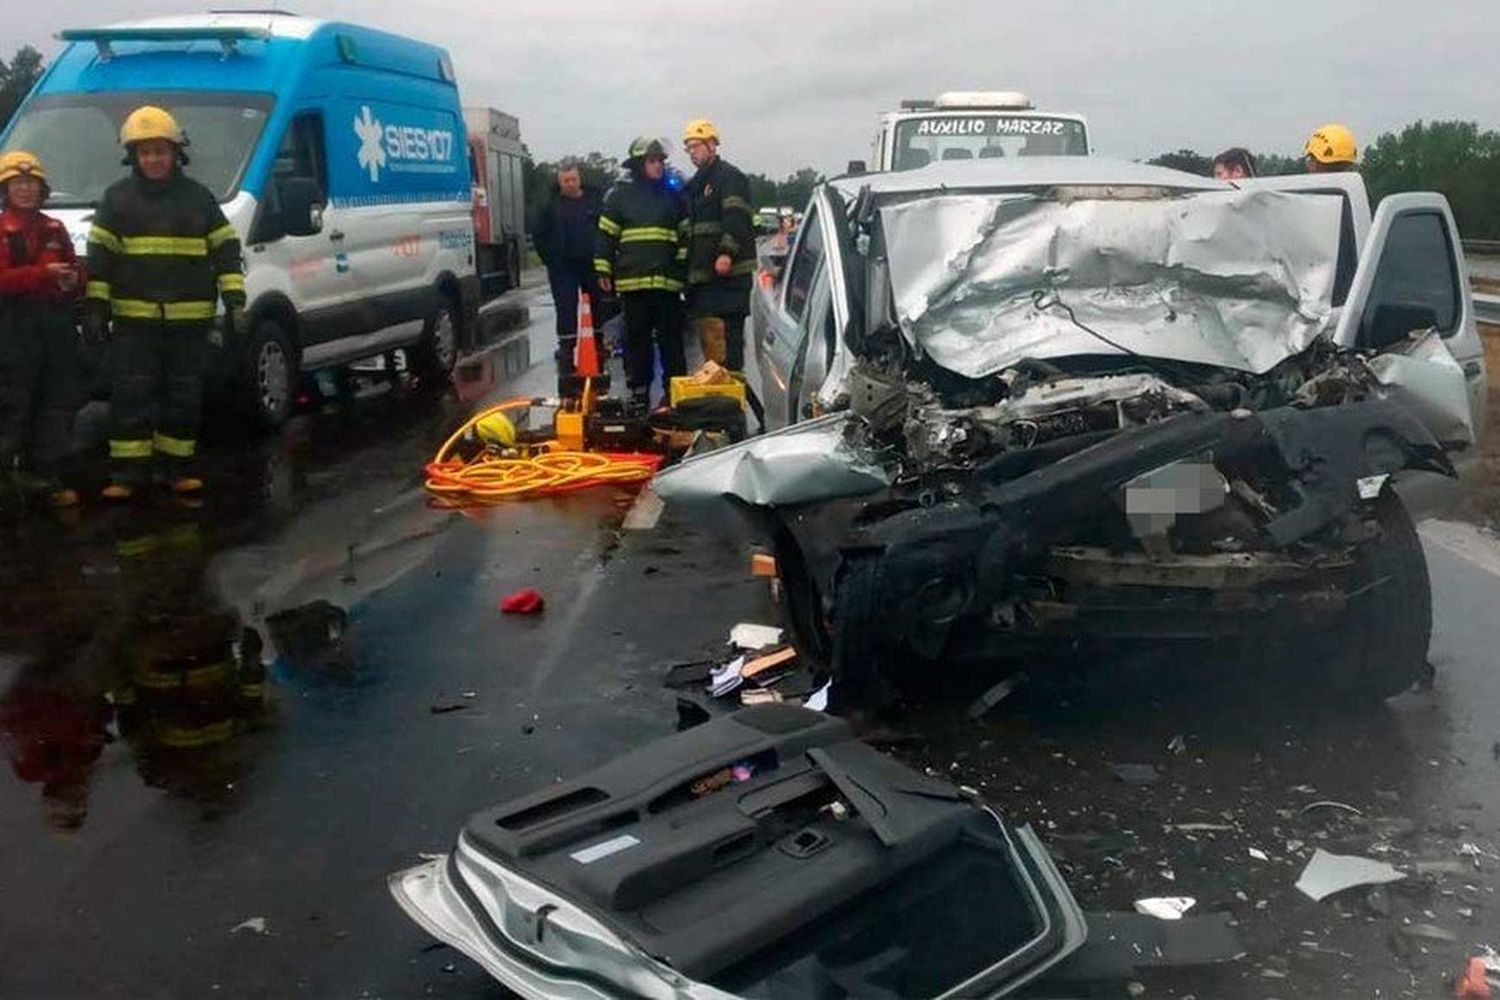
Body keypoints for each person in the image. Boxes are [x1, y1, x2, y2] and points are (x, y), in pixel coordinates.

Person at [85, 106, 246, 501]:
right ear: (134, 157)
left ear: (176, 154)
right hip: (133, 322)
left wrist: (236, 301)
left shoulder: (199, 199)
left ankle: (175, 470)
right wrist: (95, 308)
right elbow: (100, 260)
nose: (154, 159)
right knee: (131, 396)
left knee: (183, 397)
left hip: (188, 323)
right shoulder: (116, 199)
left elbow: (226, 249)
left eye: (160, 151)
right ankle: (127, 473)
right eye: (145, 152)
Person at [0, 150, 82, 509]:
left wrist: (73, 280)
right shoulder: (2, 230)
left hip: (55, 325)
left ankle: (46, 476)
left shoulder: (54, 228)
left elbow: (76, 270)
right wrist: (41, 276)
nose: (25, 190)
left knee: (56, 402)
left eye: (31, 184)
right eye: (17, 184)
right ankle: (6, 479)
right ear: (6, 190)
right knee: (14, 402)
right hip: (13, 327)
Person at [594, 136, 687, 410]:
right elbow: (605, 236)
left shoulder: (673, 196)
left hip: (667, 284)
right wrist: (603, 268)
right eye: (652, 161)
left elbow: (684, 236)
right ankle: (639, 391)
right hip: (633, 284)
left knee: (671, 340)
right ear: (638, 164)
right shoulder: (619, 196)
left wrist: (681, 269)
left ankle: (675, 391)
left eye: (660, 160)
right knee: (636, 341)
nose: (658, 165)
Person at [682, 119, 756, 377]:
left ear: (712, 145)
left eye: (696, 146)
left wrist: (726, 252)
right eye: (689, 148)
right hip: (706, 280)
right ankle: (720, 393)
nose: (692, 152)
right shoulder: (695, 186)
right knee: (712, 343)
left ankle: (732, 400)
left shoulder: (729, 178)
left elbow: (736, 218)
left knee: (728, 344)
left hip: (729, 278)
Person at [530, 160, 605, 380]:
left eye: (573, 180)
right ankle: (566, 349)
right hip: (563, 267)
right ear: (559, 181)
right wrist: (550, 260)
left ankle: (598, 344)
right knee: (565, 307)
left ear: (579, 179)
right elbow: (539, 234)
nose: (570, 184)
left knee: (598, 304)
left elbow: (606, 228)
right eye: (565, 181)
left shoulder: (594, 200)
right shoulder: (550, 205)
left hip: (592, 264)